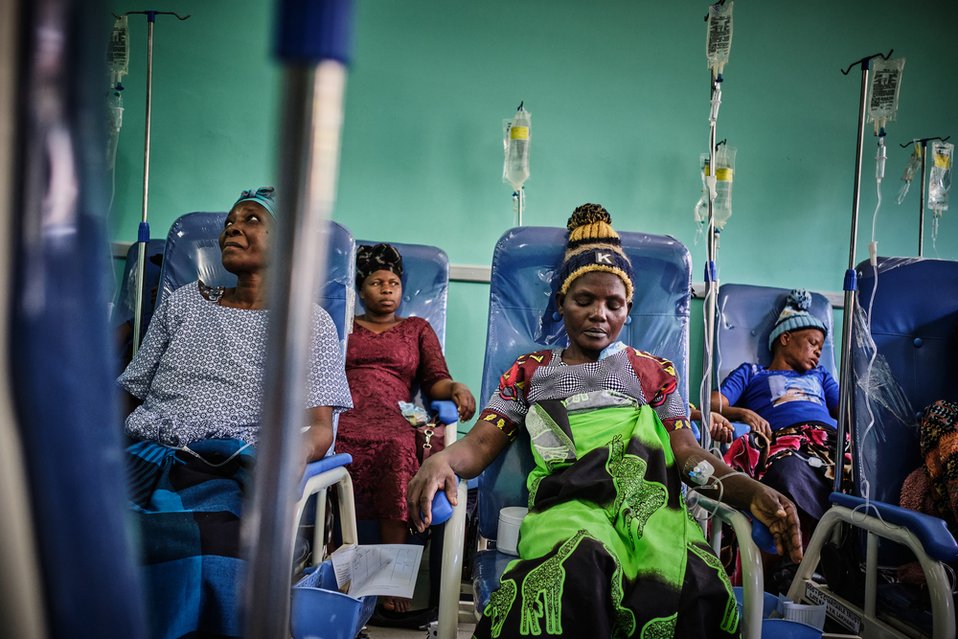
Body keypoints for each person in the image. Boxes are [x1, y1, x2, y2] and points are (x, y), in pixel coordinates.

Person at [407, 204, 803, 638]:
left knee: (696, 581)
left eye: (614, 303)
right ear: (562, 303)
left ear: (628, 310)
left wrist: (748, 490)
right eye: (585, 300)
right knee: (575, 571)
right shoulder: (530, 372)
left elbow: (688, 455)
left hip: (651, 511)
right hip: (569, 506)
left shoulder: (655, 373)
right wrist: (441, 461)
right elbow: (481, 444)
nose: (600, 313)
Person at [118, 187, 352, 639]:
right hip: (145, 453)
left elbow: (320, 427)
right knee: (74, 521)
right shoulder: (185, 302)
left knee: (208, 551)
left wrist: (292, 453)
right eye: (230, 221)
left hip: (227, 467)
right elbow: (131, 390)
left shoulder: (308, 322)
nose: (233, 228)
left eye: (251, 220)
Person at [334, 242, 476, 613]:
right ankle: (338, 570)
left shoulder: (416, 328)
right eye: (377, 282)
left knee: (398, 446)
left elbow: (436, 381)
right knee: (333, 446)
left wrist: (456, 387)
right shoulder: (341, 324)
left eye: (393, 282)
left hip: (398, 410)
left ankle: (388, 579)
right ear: (361, 289)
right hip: (345, 406)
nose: (386, 289)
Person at [713, 289, 847, 548]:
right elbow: (712, 403)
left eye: (821, 347)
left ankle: (845, 549)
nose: (818, 352)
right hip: (786, 441)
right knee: (787, 472)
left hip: (829, 440)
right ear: (785, 338)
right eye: (812, 342)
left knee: (856, 474)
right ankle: (809, 554)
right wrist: (741, 412)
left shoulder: (820, 376)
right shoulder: (752, 373)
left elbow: (849, 413)